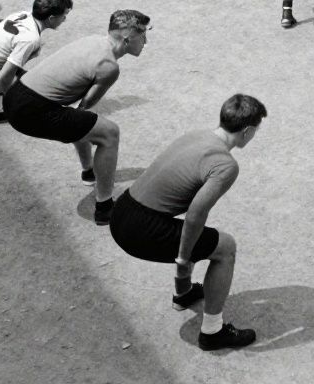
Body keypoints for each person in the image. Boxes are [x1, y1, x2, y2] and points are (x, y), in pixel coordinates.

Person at [109, 93, 265, 350]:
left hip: (122, 209)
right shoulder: (225, 165)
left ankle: (184, 295)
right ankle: (212, 332)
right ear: (247, 131)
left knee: (198, 237)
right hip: (140, 229)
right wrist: (183, 262)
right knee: (225, 248)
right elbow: (195, 215)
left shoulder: (196, 135)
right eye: (256, 130)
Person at [5, 9, 150, 225]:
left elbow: (79, 117)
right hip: (31, 110)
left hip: (15, 95)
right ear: (128, 39)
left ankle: (89, 172)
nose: (146, 41)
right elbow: (85, 105)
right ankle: (104, 208)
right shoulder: (109, 66)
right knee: (109, 133)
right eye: (143, 35)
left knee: (84, 123)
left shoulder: (92, 40)